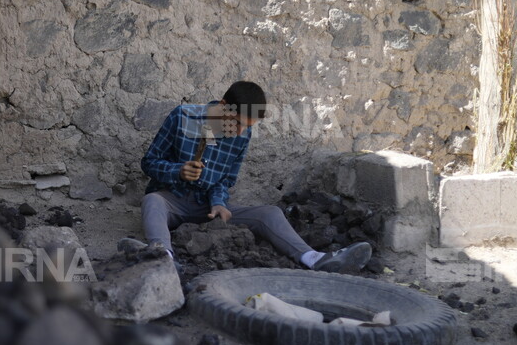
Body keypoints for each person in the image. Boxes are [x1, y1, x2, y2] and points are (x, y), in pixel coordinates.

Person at [128, 81, 372, 273]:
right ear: (223, 105)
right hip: (173, 202)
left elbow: (224, 180)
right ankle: (163, 261)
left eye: (248, 126)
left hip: (206, 211)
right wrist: (177, 171)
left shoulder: (242, 135)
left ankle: (314, 259)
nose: (242, 131)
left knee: (270, 213)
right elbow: (148, 163)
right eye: (237, 123)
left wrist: (219, 203)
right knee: (152, 202)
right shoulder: (182, 116)